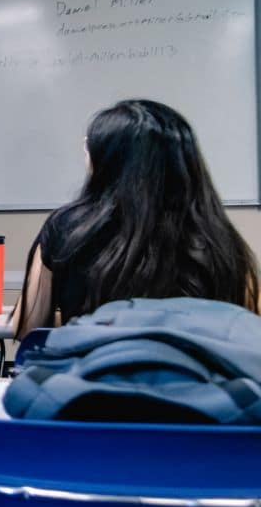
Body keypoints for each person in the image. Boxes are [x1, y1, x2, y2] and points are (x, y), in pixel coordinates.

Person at [13, 98, 258, 339]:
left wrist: (72, 323)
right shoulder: (217, 237)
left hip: (95, 375)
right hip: (195, 377)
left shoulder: (69, 227)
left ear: (107, 161)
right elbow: (249, 328)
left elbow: (28, 325)